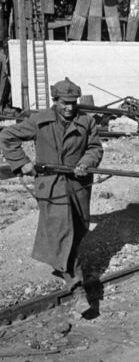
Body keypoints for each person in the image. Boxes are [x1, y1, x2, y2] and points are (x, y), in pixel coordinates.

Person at [0, 78, 103, 306]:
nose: (69, 107)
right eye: (65, 102)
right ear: (55, 100)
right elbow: (7, 137)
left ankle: (61, 265)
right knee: (62, 230)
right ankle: (76, 285)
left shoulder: (86, 122)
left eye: (73, 102)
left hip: (78, 186)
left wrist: (86, 162)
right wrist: (23, 163)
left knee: (78, 229)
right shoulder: (39, 121)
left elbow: (95, 148)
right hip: (51, 185)